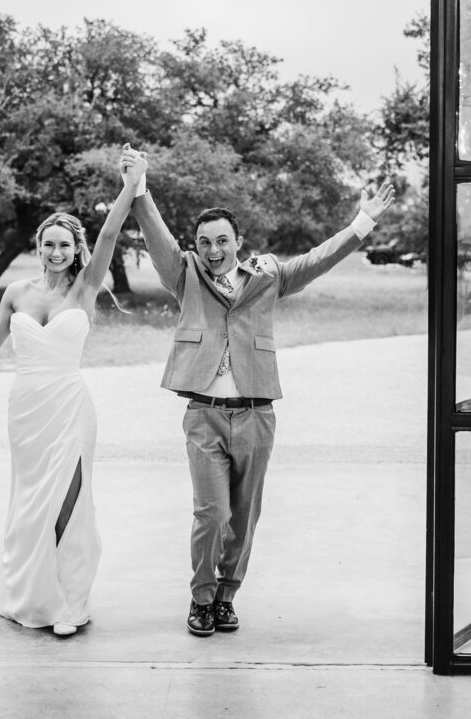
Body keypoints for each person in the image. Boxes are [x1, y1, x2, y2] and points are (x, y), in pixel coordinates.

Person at [127, 143, 396, 636]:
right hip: (204, 414)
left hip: (256, 415)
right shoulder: (184, 275)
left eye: (221, 241)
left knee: (244, 515)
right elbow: (157, 236)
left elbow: (317, 260)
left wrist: (362, 223)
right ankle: (201, 598)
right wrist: (139, 186)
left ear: (238, 241)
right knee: (212, 514)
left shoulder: (268, 276)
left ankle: (226, 596)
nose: (213, 250)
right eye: (204, 242)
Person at [0, 146, 145, 637]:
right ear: (38, 246)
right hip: (26, 412)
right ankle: (27, 591)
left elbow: (110, 233)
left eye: (64, 245)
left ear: (76, 248)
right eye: (48, 244)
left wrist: (131, 185)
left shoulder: (86, 287)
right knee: (31, 503)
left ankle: (71, 602)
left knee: (69, 499)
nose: (55, 252)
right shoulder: (16, 293)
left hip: (70, 408)